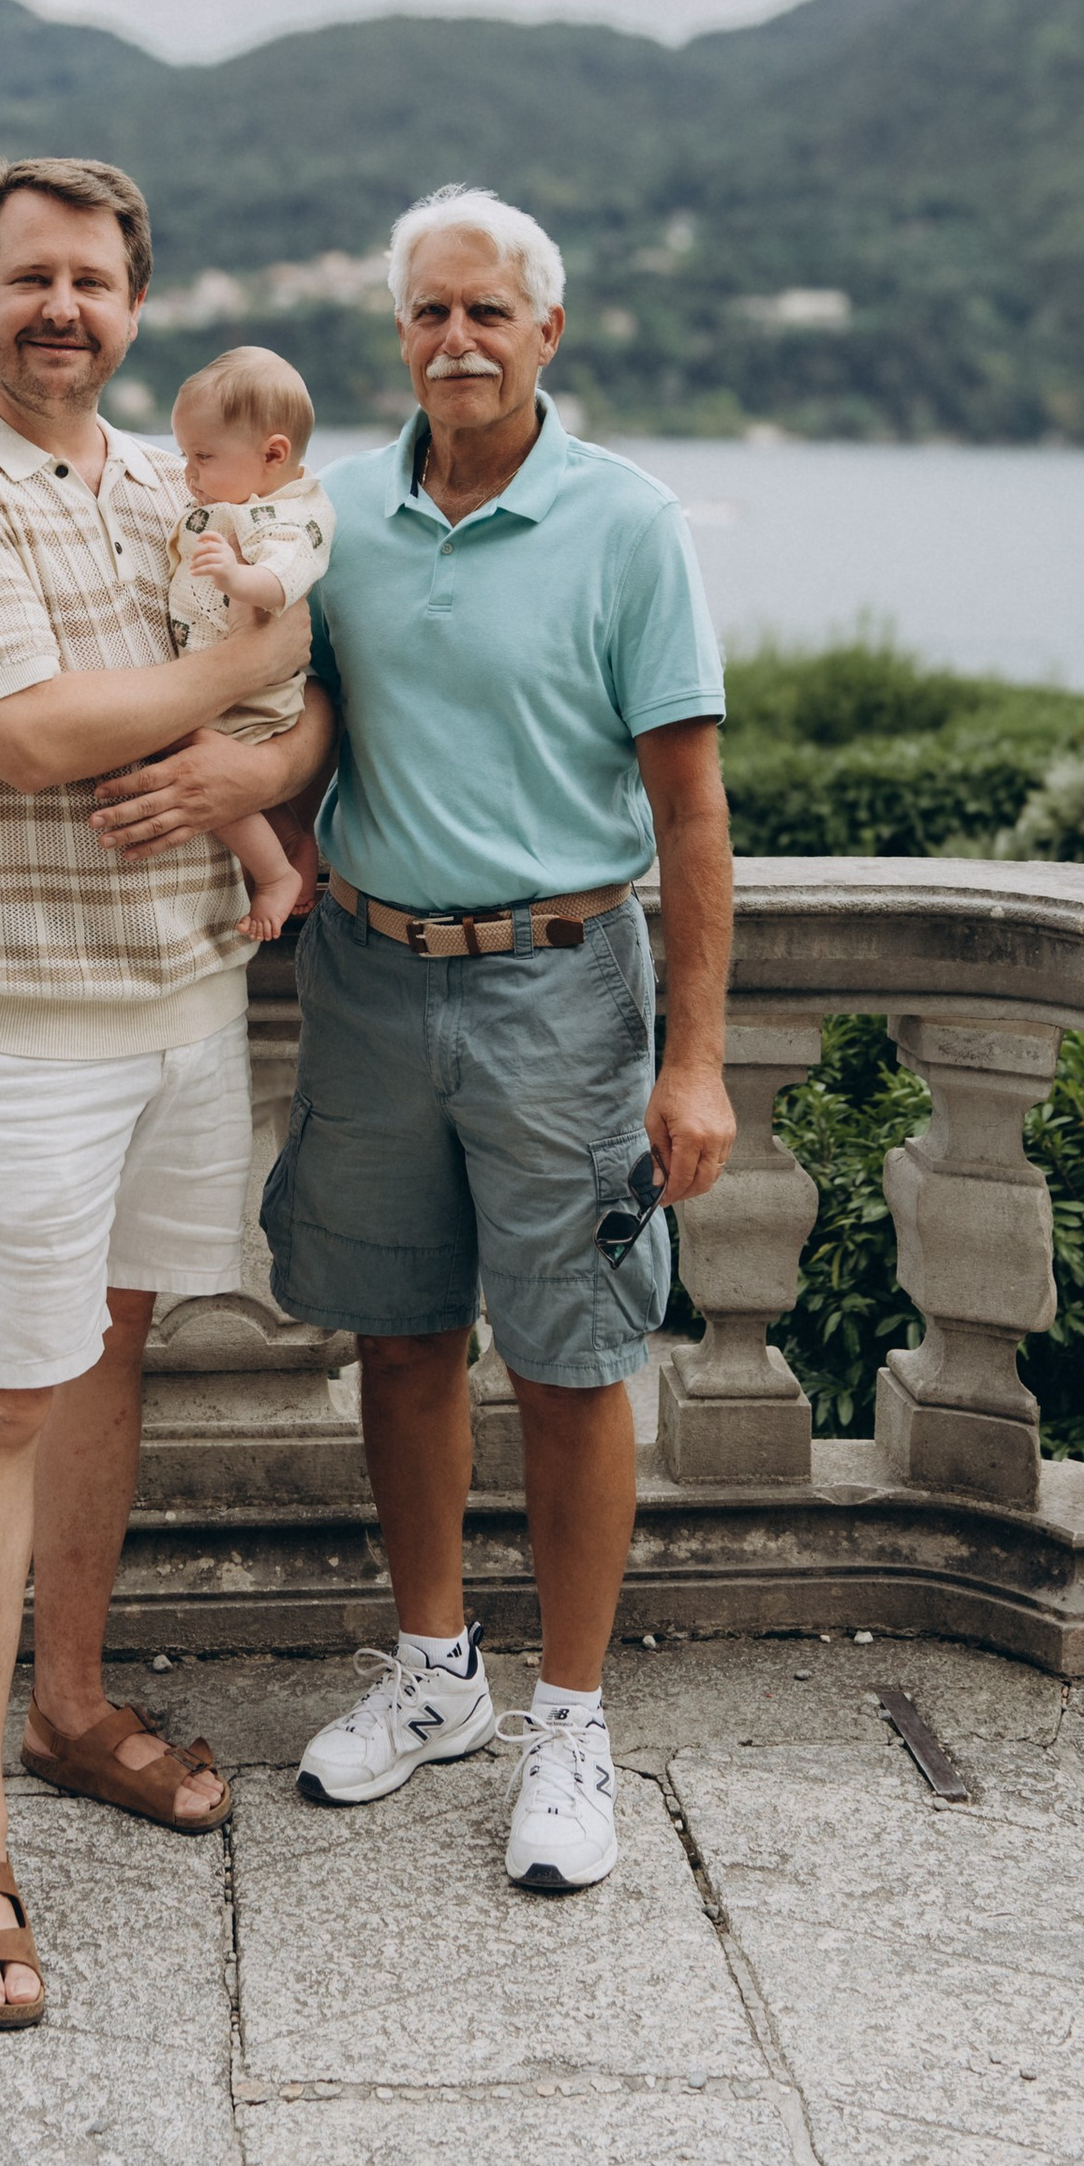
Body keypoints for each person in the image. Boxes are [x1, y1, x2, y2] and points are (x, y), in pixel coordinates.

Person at [0, 155, 323, 2028]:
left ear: (136, 307)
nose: (65, 307)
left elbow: (309, 675)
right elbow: (31, 734)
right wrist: (234, 684)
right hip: (15, 1020)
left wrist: (238, 771)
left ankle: (67, 1712)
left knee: (113, 1346)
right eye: (31, 276)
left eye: (96, 282)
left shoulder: (169, 481)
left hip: (178, 1004)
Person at [258, 182, 736, 1893]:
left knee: (573, 1357)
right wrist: (268, 845)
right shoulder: (334, 523)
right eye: (428, 314)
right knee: (397, 1335)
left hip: (563, 990)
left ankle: (572, 1723)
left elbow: (691, 817)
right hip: (372, 980)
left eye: (487, 314)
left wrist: (693, 1058)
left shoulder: (629, 525)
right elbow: (292, 727)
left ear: (547, 332)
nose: (455, 342)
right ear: (401, 333)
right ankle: (437, 1673)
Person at [164, 347, 337, 941]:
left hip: (254, 697)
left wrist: (235, 577)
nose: (188, 472)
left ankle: (271, 877)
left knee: (206, 766)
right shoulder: (238, 501)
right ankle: (292, 844)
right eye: (186, 454)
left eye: (203, 456)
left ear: (272, 454)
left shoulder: (287, 519)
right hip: (240, 686)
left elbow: (283, 580)